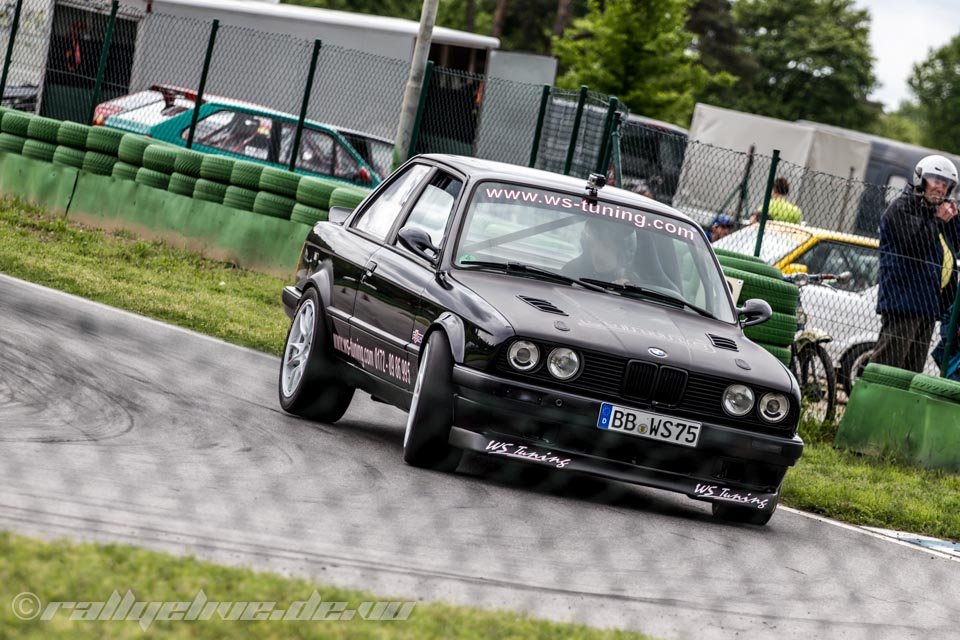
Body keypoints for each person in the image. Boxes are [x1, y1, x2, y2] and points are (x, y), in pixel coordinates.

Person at [873, 154, 960, 372]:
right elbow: (915, 245)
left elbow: (954, 246)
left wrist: (953, 219)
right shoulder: (903, 208)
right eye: (935, 180)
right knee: (888, 367)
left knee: (911, 372)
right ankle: (871, 405)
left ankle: (898, 408)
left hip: (928, 306)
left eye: (946, 184)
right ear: (921, 179)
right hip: (903, 303)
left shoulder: (936, 215)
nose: (940, 187)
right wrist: (939, 220)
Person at [561, 217, 637, 282]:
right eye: (592, 245)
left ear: (621, 251)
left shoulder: (632, 283)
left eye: (606, 246)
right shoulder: (571, 271)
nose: (598, 253)